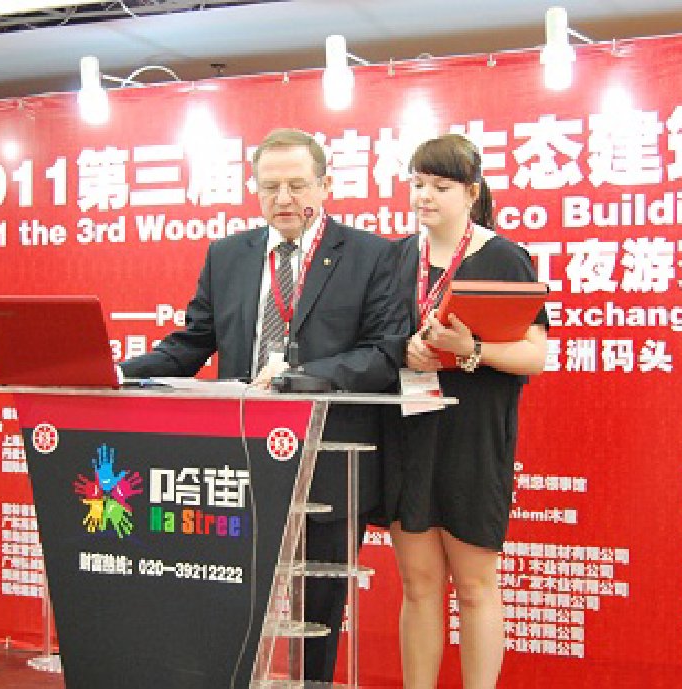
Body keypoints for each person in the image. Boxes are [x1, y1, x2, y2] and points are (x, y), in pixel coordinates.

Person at [121, 127, 406, 682]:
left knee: (317, 608)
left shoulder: (372, 255)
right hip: (238, 457)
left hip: (329, 456)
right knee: (231, 598)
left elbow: (383, 353)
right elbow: (191, 344)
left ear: (325, 185)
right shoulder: (228, 255)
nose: (284, 198)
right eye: (270, 186)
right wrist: (116, 373)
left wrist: (299, 380)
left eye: (297, 184)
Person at [378, 134, 548, 689]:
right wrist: (406, 349)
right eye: (418, 184)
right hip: (408, 430)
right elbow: (376, 340)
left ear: (472, 193)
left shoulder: (503, 257)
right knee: (419, 585)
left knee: (474, 587)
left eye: (440, 186)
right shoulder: (396, 258)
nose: (424, 196)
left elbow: (535, 355)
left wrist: (470, 349)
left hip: (473, 437)